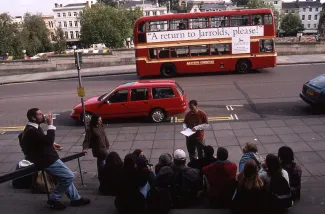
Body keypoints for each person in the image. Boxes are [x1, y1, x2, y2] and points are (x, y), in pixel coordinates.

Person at [19, 108, 90, 210]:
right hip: (47, 160)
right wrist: (50, 125)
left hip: (48, 157)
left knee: (64, 177)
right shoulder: (31, 131)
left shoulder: (33, 127)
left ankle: (76, 199)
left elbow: (40, 142)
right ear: (33, 117)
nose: (42, 115)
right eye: (39, 114)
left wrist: (52, 145)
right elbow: (47, 140)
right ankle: (53, 199)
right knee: (69, 176)